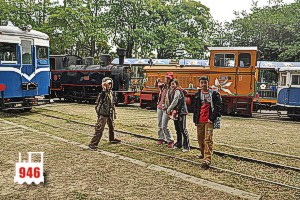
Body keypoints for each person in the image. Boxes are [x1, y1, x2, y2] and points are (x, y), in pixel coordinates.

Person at [193, 76, 222, 169]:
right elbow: (195, 107)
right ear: (199, 84)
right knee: (200, 139)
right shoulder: (198, 94)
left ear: (208, 83)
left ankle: (207, 159)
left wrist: (212, 118)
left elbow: (218, 107)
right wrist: (195, 119)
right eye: (202, 83)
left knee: (208, 139)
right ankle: (203, 153)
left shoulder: (214, 94)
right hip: (200, 120)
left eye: (205, 82)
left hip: (209, 120)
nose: (203, 84)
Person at [88, 77, 121, 150]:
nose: (109, 85)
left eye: (110, 84)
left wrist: (114, 112)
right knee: (99, 129)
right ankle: (93, 144)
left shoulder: (111, 93)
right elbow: (102, 97)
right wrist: (104, 88)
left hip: (109, 113)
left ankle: (112, 139)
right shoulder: (103, 93)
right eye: (108, 84)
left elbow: (112, 103)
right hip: (103, 114)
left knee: (111, 127)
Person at [167, 79, 190, 152]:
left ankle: (186, 146)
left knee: (183, 129)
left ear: (176, 84)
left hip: (181, 112)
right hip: (176, 112)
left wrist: (169, 109)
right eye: (171, 84)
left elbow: (175, 101)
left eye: (173, 84)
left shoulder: (177, 91)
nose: (172, 85)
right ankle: (179, 143)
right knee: (178, 129)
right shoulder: (174, 91)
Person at [155, 72, 175, 148]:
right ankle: (161, 138)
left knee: (164, 125)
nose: (167, 79)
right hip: (160, 106)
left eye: (169, 78)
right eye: (166, 78)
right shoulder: (163, 86)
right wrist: (157, 81)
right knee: (160, 124)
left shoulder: (172, 87)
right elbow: (156, 85)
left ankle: (170, 140)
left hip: (167, 108)